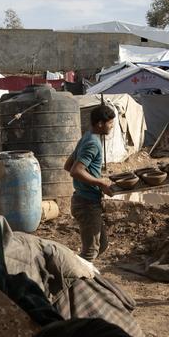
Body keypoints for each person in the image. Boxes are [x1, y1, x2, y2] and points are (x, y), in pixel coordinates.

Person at [65, 104, 117, 261]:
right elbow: (75, 171)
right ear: (100, 123)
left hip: (85, 199)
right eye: (110, 123)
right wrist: (100, 182)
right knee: (90, 252)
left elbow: (68, 165)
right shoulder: (92, 143)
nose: (112, 126)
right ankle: (75, 281)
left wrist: (94, 177)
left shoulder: (86, 137)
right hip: (86, 203)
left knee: (102, 245)